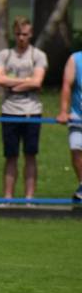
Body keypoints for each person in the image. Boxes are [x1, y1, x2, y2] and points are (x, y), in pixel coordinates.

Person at [0, 17, 47, 202]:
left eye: (25, 34)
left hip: (32, 111)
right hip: (9, 111)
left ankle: (28, 199)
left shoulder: (38, 55)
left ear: (30, 34)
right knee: (11, 156)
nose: (21, 38)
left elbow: (38, 81)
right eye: (18, 34)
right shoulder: (4, 55)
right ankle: (8, 198)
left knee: (30, 155)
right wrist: (27, 82)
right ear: (13, 34)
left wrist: (13, 83)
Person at [55, 50, 82, 203]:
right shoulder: (75, 59)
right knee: (76, 148)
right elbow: (67, 85)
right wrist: (63, 112)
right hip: (78, 115)